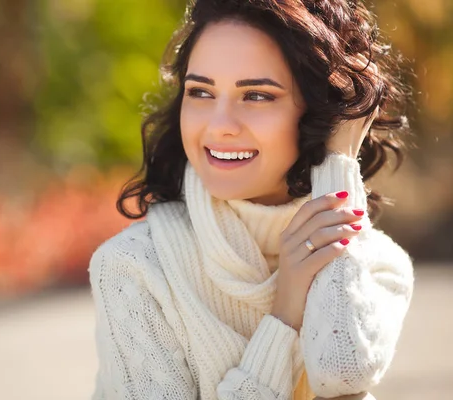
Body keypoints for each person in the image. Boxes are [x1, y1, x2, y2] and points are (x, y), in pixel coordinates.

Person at [89, 1, 414, 399]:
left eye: (257, 96)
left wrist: (338, 164)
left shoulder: (377, 264)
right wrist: (285, 314)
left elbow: (342, 373)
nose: (220, 125)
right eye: (201, 92)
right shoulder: (135, 266)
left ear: (321, 111)